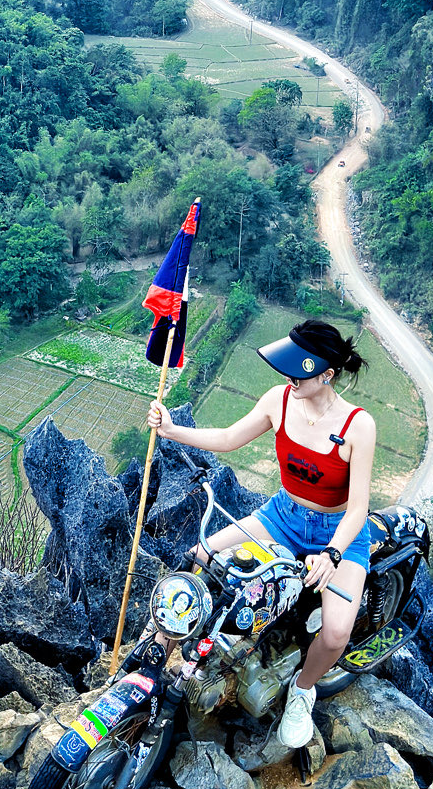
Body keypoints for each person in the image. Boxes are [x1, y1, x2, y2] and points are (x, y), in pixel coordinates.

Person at [147, 317, 375, 748]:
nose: (290, 379)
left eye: (300, 372)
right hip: (281, 515)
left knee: (335, 633)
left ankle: (303, 689)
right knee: (202, 556)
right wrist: (171, 430)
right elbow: (231, 436)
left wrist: (331, 554)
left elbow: (359, 507)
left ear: (326, 374)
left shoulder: (357, 426)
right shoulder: (280, 400)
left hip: (336, 530)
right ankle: (162, 643)